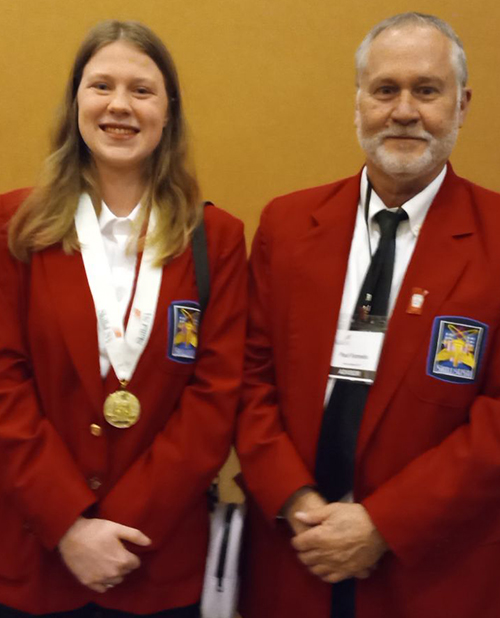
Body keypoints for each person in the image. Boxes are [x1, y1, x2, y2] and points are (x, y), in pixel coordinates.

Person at [236, 12, 500, 618]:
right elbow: (250, 381)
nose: (404, 110)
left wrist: (384, 523)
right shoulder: (287, 226)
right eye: (385, 90)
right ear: (358, 101)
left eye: (426, 90)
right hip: (294, 557)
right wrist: (296, 500)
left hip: (435, 572)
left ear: (461, 105)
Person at [0, 19, 246, 618]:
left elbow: (215, 399)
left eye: (142, 90)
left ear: (169, 112)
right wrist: (69, 525)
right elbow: (5, 383)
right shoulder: (16, 227)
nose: (119, 105)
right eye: (101, 85)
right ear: (75, 102)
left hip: (155, 561)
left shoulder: (216, 238)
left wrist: (119, 526)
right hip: (37, 556)